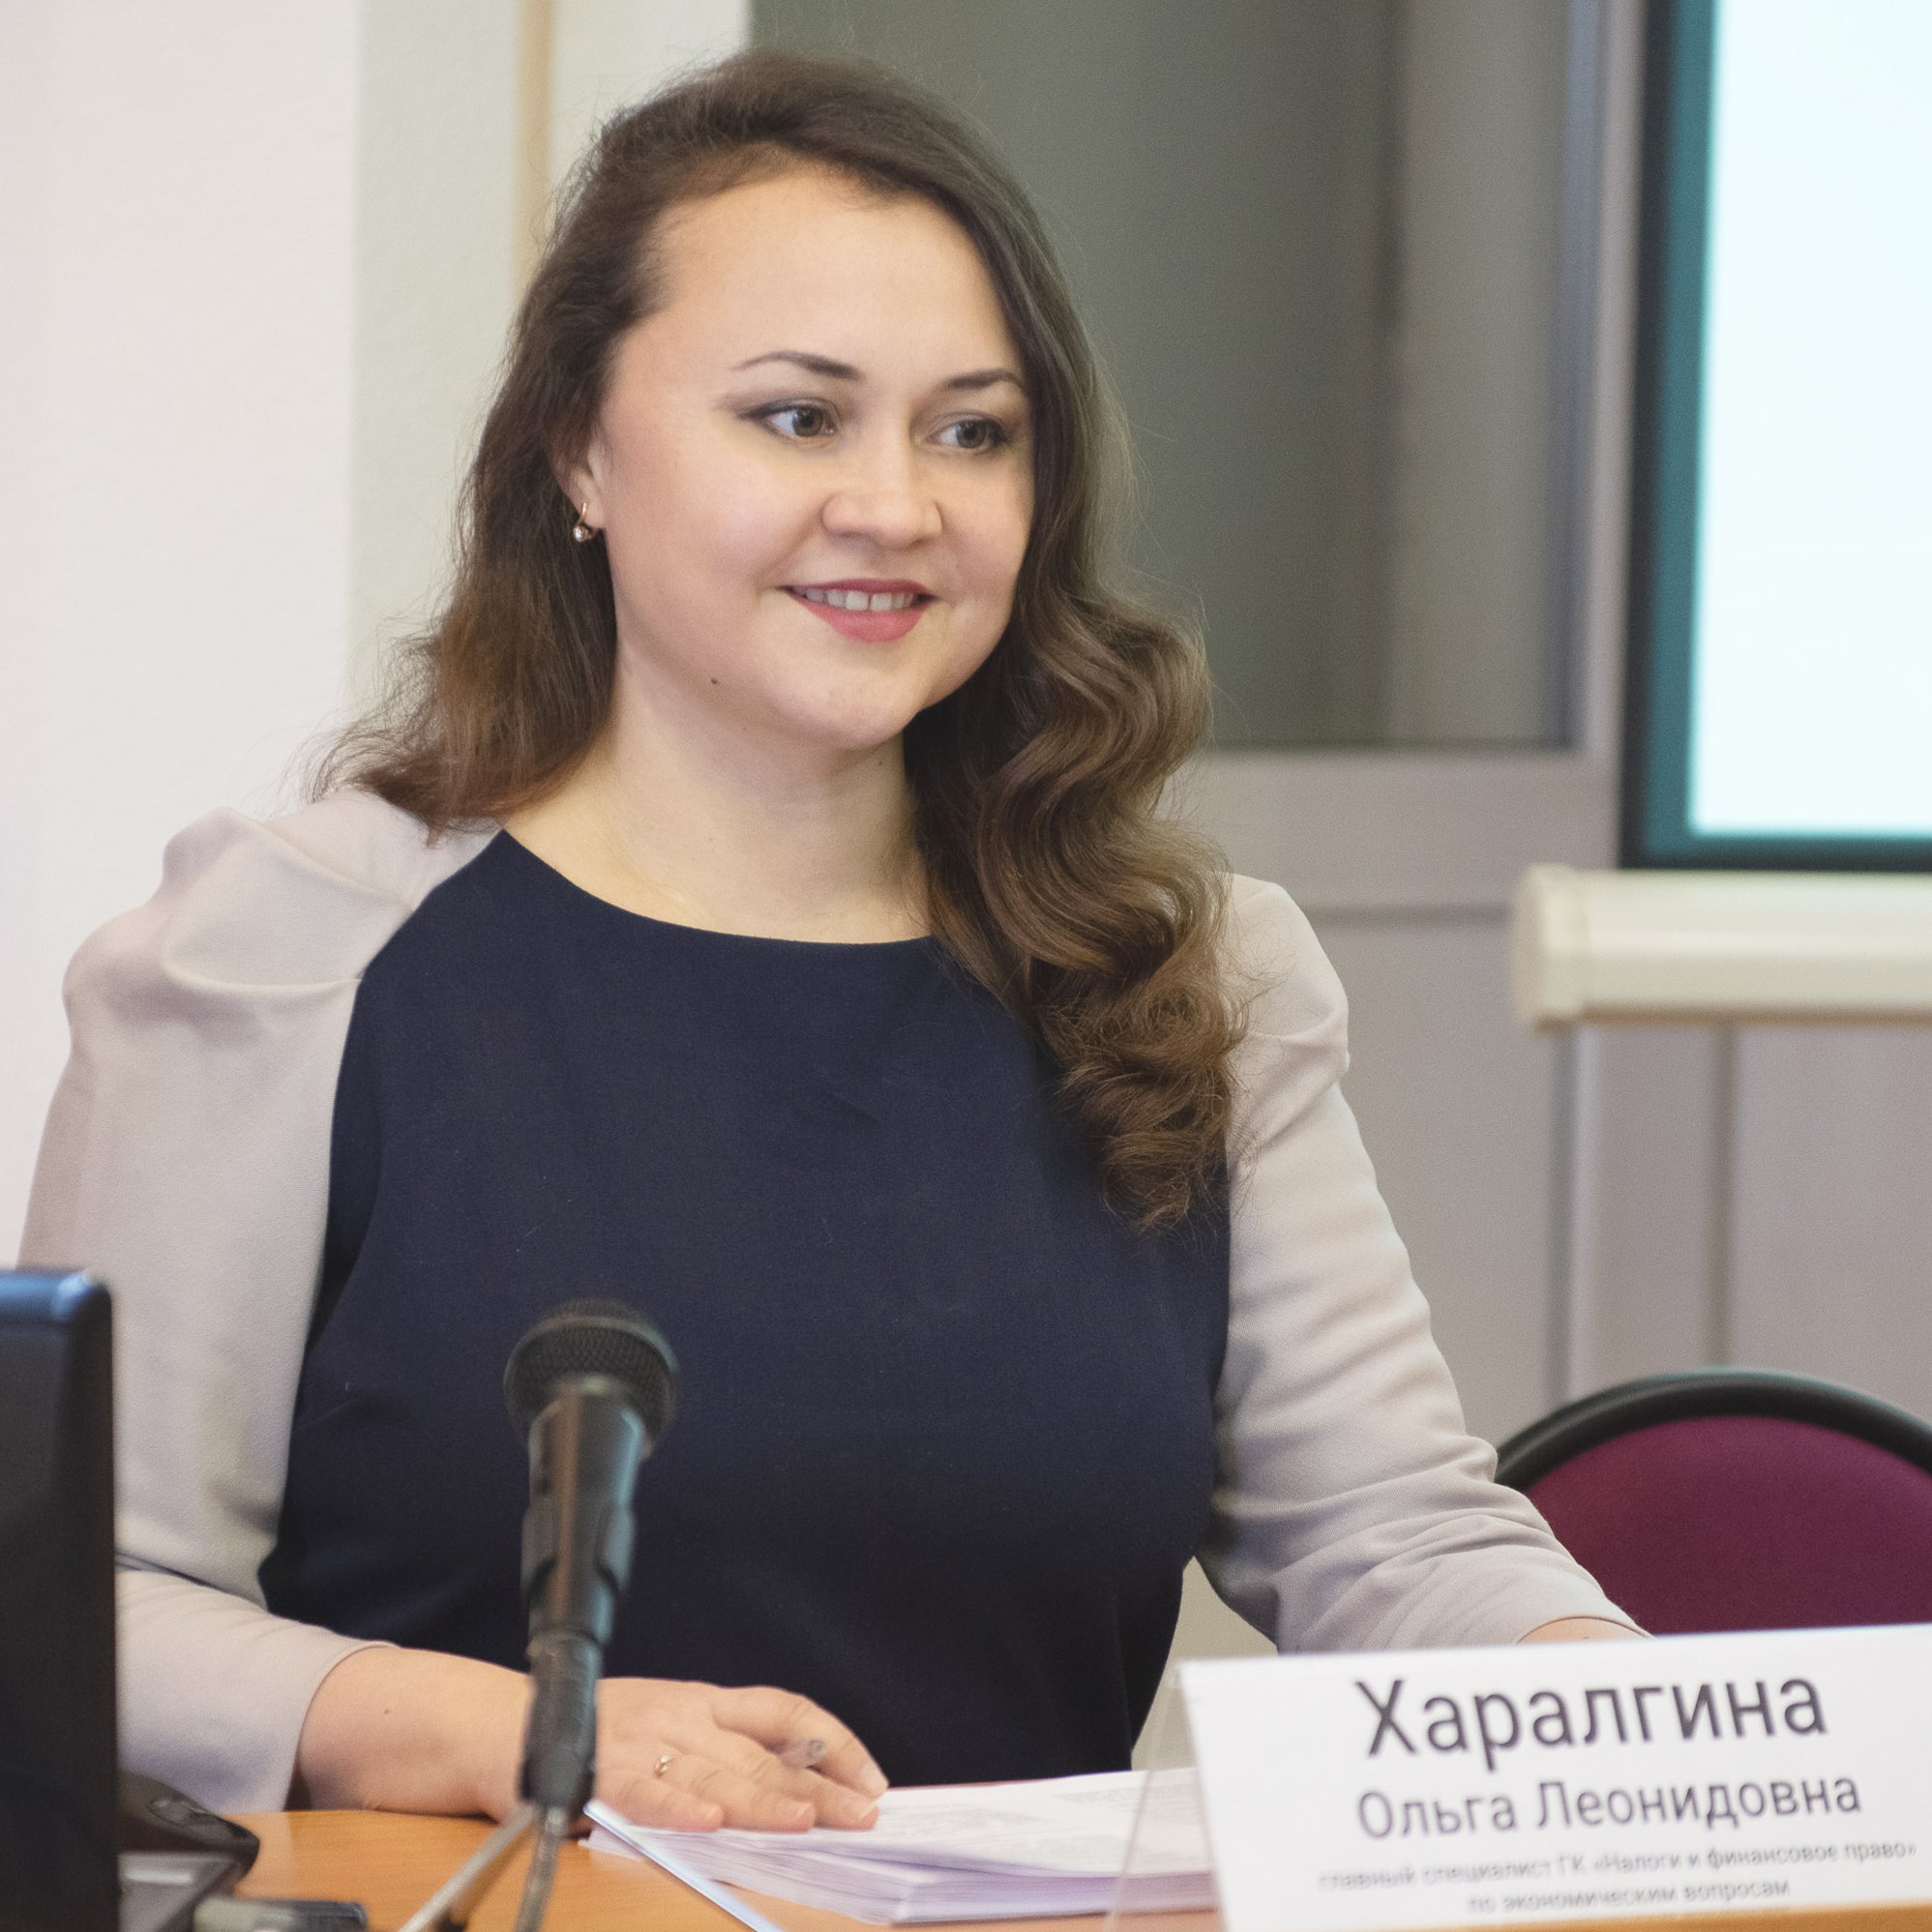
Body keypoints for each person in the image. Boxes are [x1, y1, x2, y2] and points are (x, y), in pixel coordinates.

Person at [22, 50, 1635, 1836]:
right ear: (577, 447)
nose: (895, 504)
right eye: (798, 417)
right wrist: (511, 1730)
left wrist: (1637, 1720)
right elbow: (81, 1610)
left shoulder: (1189, 975)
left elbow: (1391, 1533)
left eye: (972, 430)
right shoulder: (288, 950)